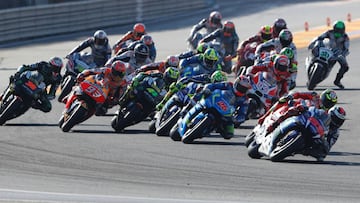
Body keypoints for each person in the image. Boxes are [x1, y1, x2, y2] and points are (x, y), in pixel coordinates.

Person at [258, 88, 338, 125]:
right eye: (326, 100)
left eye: (330, 103)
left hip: (306, 121)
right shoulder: (314, 96)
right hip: (297, 108)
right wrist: (291, 96)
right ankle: (265, 116)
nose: (327, 104)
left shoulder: (326, 113)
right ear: (322, 96)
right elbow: (299, 94)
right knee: (283, 100)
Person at [307, 20, 350, 89]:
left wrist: (343, 54)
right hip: (326, 49)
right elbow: (319, 37)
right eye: (337, 30)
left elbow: (346, 48)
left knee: (345, 66)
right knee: (314, 51)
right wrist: (313, 43)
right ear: (334, 28)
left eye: (340, 30)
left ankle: (337, 81)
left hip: (336, 53)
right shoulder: (329, 32)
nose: (338, 32)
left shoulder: (345, 37)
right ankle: (311, 63)